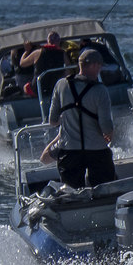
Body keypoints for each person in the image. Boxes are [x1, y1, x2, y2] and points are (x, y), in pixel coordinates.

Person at [42, 49, 117, 188]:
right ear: (94, 65)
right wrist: (109, 135)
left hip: (69, 152)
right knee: (103, 190)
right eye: (99, 66)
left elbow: (52, 121)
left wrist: (68, 120)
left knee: (72, 193)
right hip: (97, 151)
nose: (100, 70)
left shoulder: (61, 85)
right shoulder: (100, 91)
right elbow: (106, 126)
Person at [20, 30, 69, 97]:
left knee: (25, 87)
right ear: (58, 42)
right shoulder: (63, 54)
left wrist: (27, 51)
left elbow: (22, 63)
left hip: (37, 89)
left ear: (48, 41)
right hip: (54, 88)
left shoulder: (38, 52)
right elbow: (67, 71)